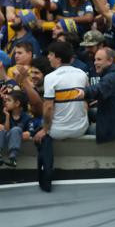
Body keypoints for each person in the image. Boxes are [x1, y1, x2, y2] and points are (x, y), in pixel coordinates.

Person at [36, 40, 89, 192]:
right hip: (81, 128)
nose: (48, 58)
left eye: (50, 55)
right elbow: (86, 100)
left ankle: (46, 176)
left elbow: (48, 108)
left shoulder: (50, 78)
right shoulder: (81, 74)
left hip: (57, 132)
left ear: (58, 59)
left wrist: (45, 129)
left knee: (40, 131)